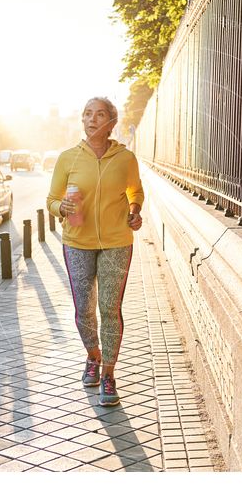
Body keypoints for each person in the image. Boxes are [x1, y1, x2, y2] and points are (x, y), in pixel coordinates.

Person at [46, 97, 144, 407]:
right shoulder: (67, 159)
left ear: (112, 122)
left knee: (109, 309)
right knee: (83, 310)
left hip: (117, 241)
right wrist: (60, 207)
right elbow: (51, 199)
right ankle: (92, 355)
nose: (92, 119)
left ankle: (109, 375)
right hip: (77, 243)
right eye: (87, 113)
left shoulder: (125, 158)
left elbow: (135, 191)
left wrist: (135, 210)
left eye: (99, 114)